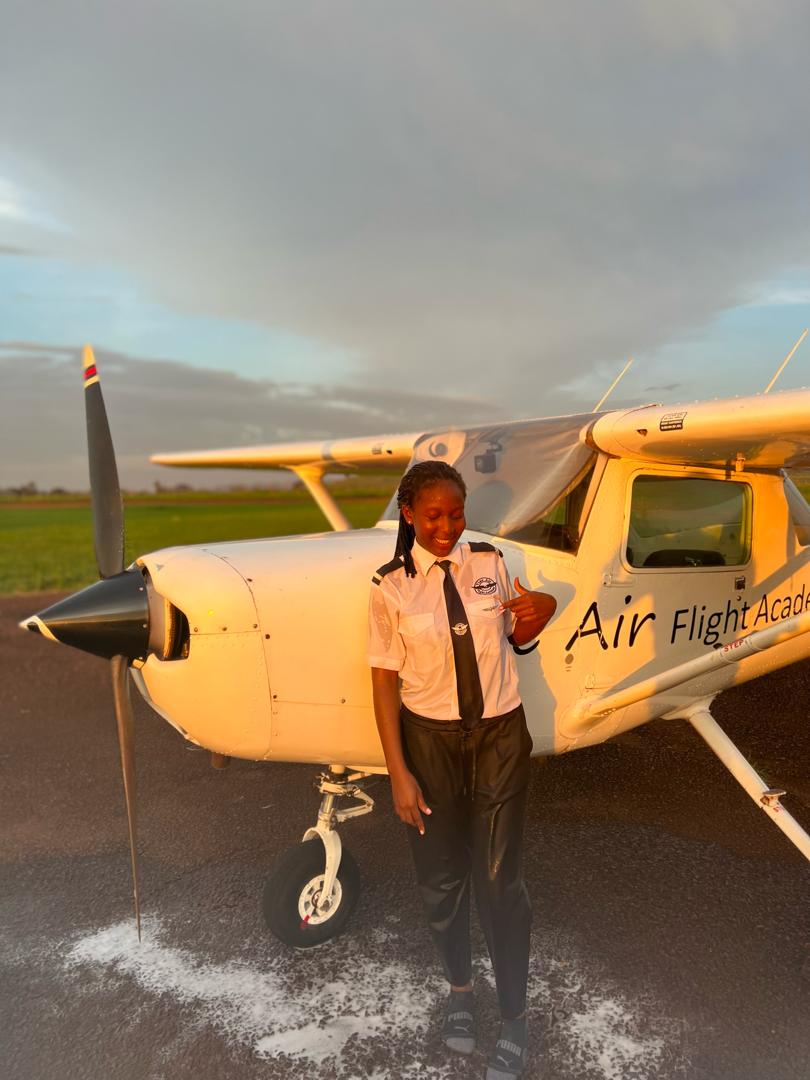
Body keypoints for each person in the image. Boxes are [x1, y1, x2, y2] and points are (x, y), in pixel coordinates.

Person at [367, 460, 556, 1080]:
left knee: (501, 883)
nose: (447, 527)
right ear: (409, 515)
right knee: (442, 881)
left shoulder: (491, 564)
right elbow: (383, 684)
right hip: (430, 746)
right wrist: (398, 772)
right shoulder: (389, 586)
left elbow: (522, 631)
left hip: (501, 737)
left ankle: (514, 1017)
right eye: (433, 516)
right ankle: (459, 992)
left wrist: (538, 614)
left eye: (455, 513)